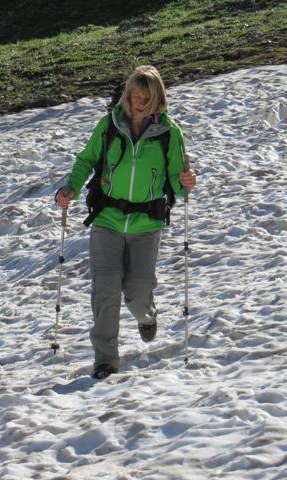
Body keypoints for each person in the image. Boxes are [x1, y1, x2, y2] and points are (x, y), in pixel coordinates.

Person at [55, 65, 197, 380]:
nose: (139, 103)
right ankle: (105, 360)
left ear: (157, 99)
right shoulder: (109, 125)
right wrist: (70, 189)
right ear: (127, 95)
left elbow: (177, 181)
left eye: (147, 98)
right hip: (107, 218)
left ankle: (147, 317)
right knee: (105, 288)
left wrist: (186, 182)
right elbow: (86, 160)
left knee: (137, 291)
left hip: (147, 224)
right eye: (135, 96)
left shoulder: (169, 133)